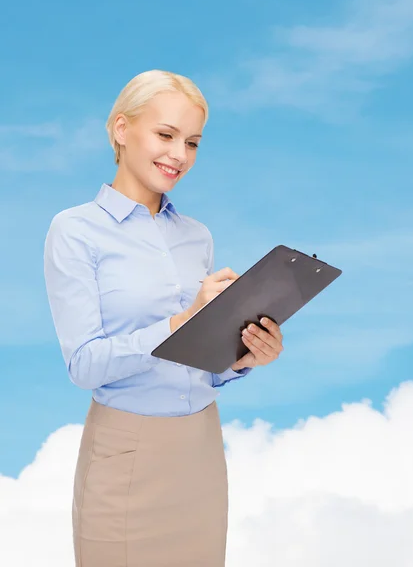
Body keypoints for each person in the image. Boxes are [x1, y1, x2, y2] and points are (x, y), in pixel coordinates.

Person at [43, 69, 284, 567]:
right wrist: (181, 320)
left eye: (192, 142)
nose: (179, 155)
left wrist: (244, 356)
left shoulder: (196, 236)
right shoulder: (75, 232)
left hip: (199, 451)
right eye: (166, 135)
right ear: (121, 129)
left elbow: (200, 363)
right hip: (125, 455)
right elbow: (84, 365)